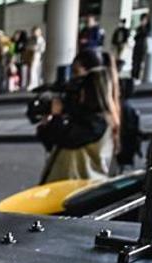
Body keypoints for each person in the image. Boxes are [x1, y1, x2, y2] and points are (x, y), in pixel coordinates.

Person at [36, 49, 120, 184]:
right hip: (72, 186)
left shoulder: (96, 122)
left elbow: (64, 138)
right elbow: (49, 139)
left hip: (75, 189)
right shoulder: (98, 117)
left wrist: (56, 116)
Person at [132, 13, 151, 80]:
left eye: (144, 20)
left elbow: (146, 35)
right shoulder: (139, 28)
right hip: (137, 46)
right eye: (142, 19)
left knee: (140, 62)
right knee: (134, 61)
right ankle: (133, 75)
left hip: (143, 47)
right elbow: (135, 37)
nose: (143, 21)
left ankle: (137, 76)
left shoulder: (147, 28)